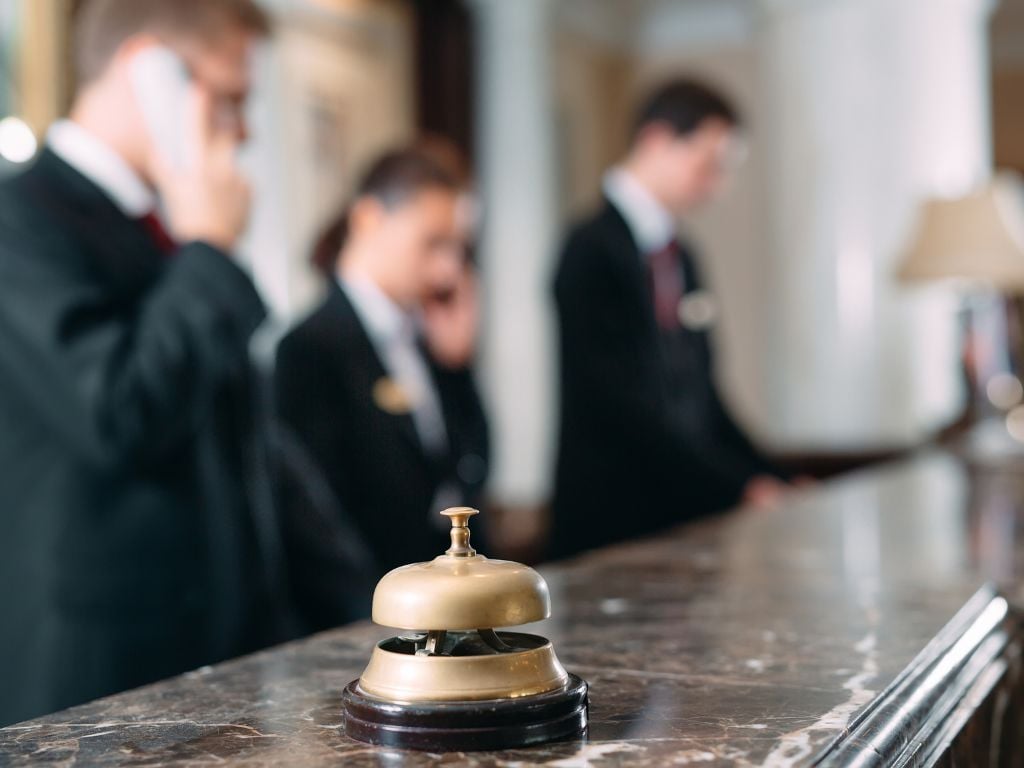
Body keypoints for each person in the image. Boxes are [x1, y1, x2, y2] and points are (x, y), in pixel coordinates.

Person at [0, 0, 276, 726]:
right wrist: (211, 252)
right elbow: (117, 412)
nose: (242, 131)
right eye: (230, 99)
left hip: (215, 659)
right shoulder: (18, 219)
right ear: (146, 69)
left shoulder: (169, 229)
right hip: (96, 682)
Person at [549, 79, 793, 560]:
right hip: (613, 523)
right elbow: (621, 405)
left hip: (685, 516)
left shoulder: (682, 257)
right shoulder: (589, 250)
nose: (716, 186)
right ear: (657, 141)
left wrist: (770, 476)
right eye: (708, 166)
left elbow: (704, 395)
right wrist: (736, 486)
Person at [276, 148, 490, 588]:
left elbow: (469, 473)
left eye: (457, 248)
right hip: (374, 607)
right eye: (433, 243)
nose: (449, 270)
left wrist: (458, 368)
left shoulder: (429, 336)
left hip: (448, 596)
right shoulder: (307, 349)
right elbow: (318, 517)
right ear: (369, 219)